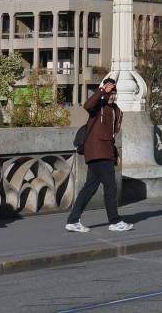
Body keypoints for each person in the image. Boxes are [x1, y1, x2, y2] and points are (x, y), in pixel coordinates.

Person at [65, 78, 133, 233]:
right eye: (110, 93)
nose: (112, 96)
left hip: (104, 152)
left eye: (114, 93)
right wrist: (102, 90)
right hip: (97, 152)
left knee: (89, 188)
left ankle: (73, 220)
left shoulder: (116, 110)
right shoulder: (97, 106)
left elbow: (110, 135)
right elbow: (87, 105)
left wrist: (114, 152)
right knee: (111, 186)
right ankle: (115, 221)